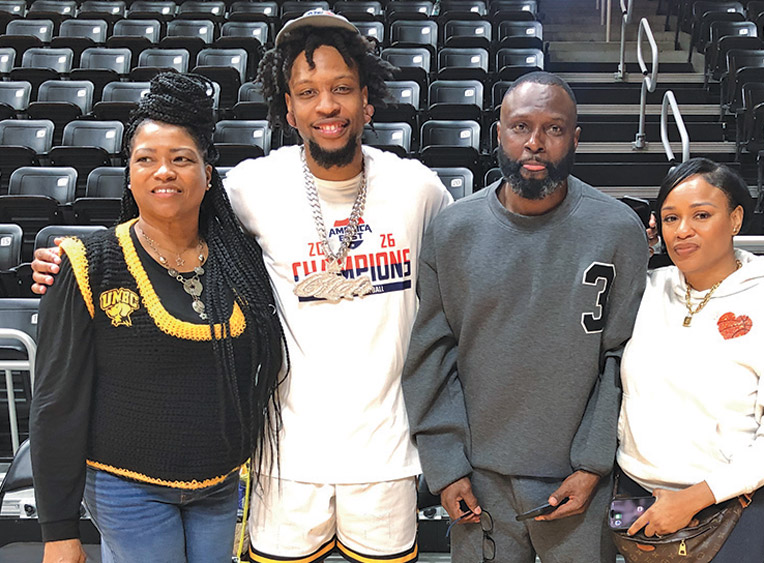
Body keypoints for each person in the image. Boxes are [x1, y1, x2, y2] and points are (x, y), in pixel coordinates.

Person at [32, 11, 452, 563]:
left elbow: (458, 280)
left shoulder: (417, 187)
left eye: (342, 89)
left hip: (387, 454)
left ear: (367, 100)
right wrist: (76, 256)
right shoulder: (252, 186)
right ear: (288, 109)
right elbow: (166, 215)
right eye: (308, 93)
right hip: (283, 456)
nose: (327, 105)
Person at [29, 72, 286, 563]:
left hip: (221, 484)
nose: (163, 171)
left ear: (208, 176)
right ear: (129, 174)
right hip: (128, 489)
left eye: (181, 159)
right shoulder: (89, 263)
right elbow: (55, 405)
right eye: (145, 159)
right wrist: (58, 530)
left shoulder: (243, 261)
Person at [401, 71, 649, 562]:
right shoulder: (453, 229)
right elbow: (432, 353)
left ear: (575, 138)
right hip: (480, 481)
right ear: (498, 132)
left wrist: (594, 465)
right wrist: (446, 466)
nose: (534, 143)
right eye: (520, 127)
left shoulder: (618, 229)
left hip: (582, 483)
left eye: (553, 129)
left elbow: (623, 358)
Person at [615, 158, 764, 562]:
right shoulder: (645, 291)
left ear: (736, 218)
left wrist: (693, 499)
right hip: (636, 495)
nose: (683, 230)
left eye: (701, 215)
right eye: (670, 218)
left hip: (727, 506)